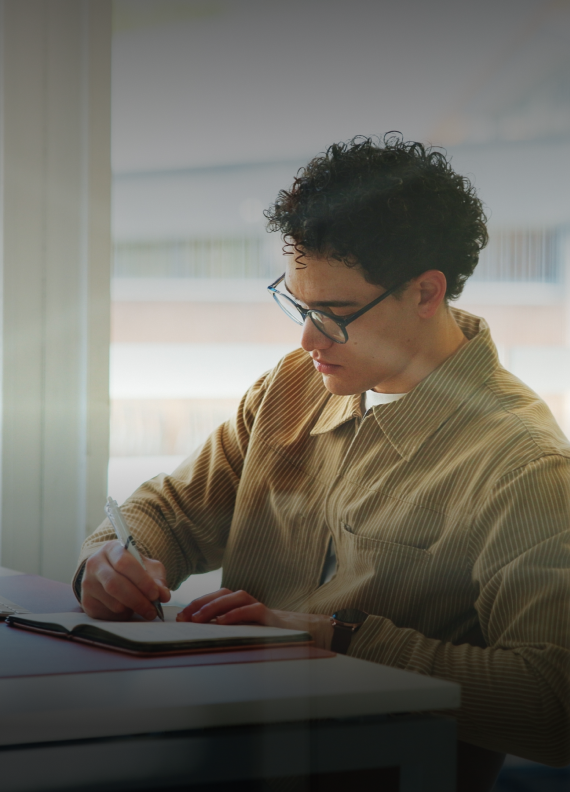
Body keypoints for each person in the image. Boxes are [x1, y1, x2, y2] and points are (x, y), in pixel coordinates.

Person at [74, 135, 570, 790]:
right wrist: (113, 557)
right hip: (221, 748)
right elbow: (167, 513)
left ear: (426, 293)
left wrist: (332, 638)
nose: (306, 340)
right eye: (299, 304)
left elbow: (554, 706)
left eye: (333, 315)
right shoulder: (293, 387)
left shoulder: (522, 465)